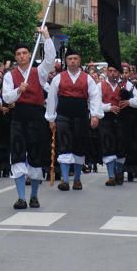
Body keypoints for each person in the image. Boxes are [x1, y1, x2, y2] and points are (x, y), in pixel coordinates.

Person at [2, 26, 56, 209]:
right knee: (17, 154)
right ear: (15, 57)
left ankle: (34, 195)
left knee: (35, 156)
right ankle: (21, 198)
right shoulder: (10, 76)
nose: (22, 56)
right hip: (18, 117)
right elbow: (6, 97)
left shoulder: (39, 72)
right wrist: (19, 90)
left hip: (35, 117)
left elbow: (50, 59)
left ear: (29, 54)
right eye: (18, 53)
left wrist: (46, 36)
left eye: (25, 53)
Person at [45, 46, 102, 191]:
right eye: (70, 59)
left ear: (79, 60)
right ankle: (64, 179)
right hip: (63, 116)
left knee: (79, 147)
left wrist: (95, 115)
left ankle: (77, 179)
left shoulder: (87, 79)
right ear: (66, 61)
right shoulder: (58, 78)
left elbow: (95, 98)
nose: (72, 62)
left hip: (81, 117)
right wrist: (51, 118)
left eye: (75, 59)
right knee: (64, 146)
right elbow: (52, 99)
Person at [100, 65, 135, 186]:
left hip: (122, 119)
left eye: (115, 71)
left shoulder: (127, 85)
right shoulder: (100, 85)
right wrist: (108, 107)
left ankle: (119, 173)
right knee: (108, 144)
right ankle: (110, 176)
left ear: (119, 73)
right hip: (106, 119)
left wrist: (129, 102)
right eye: (110, 71)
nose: (112, 74)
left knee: (121, 146)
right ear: (106, 72)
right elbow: (94, 103)